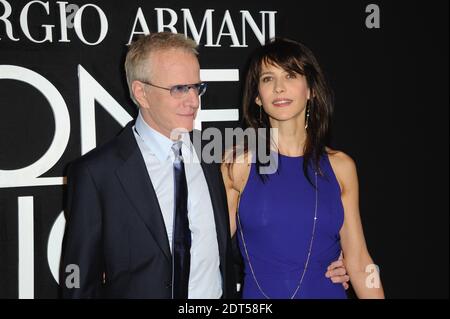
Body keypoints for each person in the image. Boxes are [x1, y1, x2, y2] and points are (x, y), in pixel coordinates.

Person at [60, 32, 348, 299]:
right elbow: (79, 286)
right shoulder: (96, 174)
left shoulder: (216, 157)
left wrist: (326, 257)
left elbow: (251, 235)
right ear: (141, 92)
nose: (193, 100)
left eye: (197, 87)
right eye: (179, 89)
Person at [221, 38, 384, 299]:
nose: (279, 88)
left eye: (290, 75)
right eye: (267, 79)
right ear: (257, 98)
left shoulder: (341, 166)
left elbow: (361, 260)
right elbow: (207, 257)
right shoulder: (237, 165)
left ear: (310, 90)